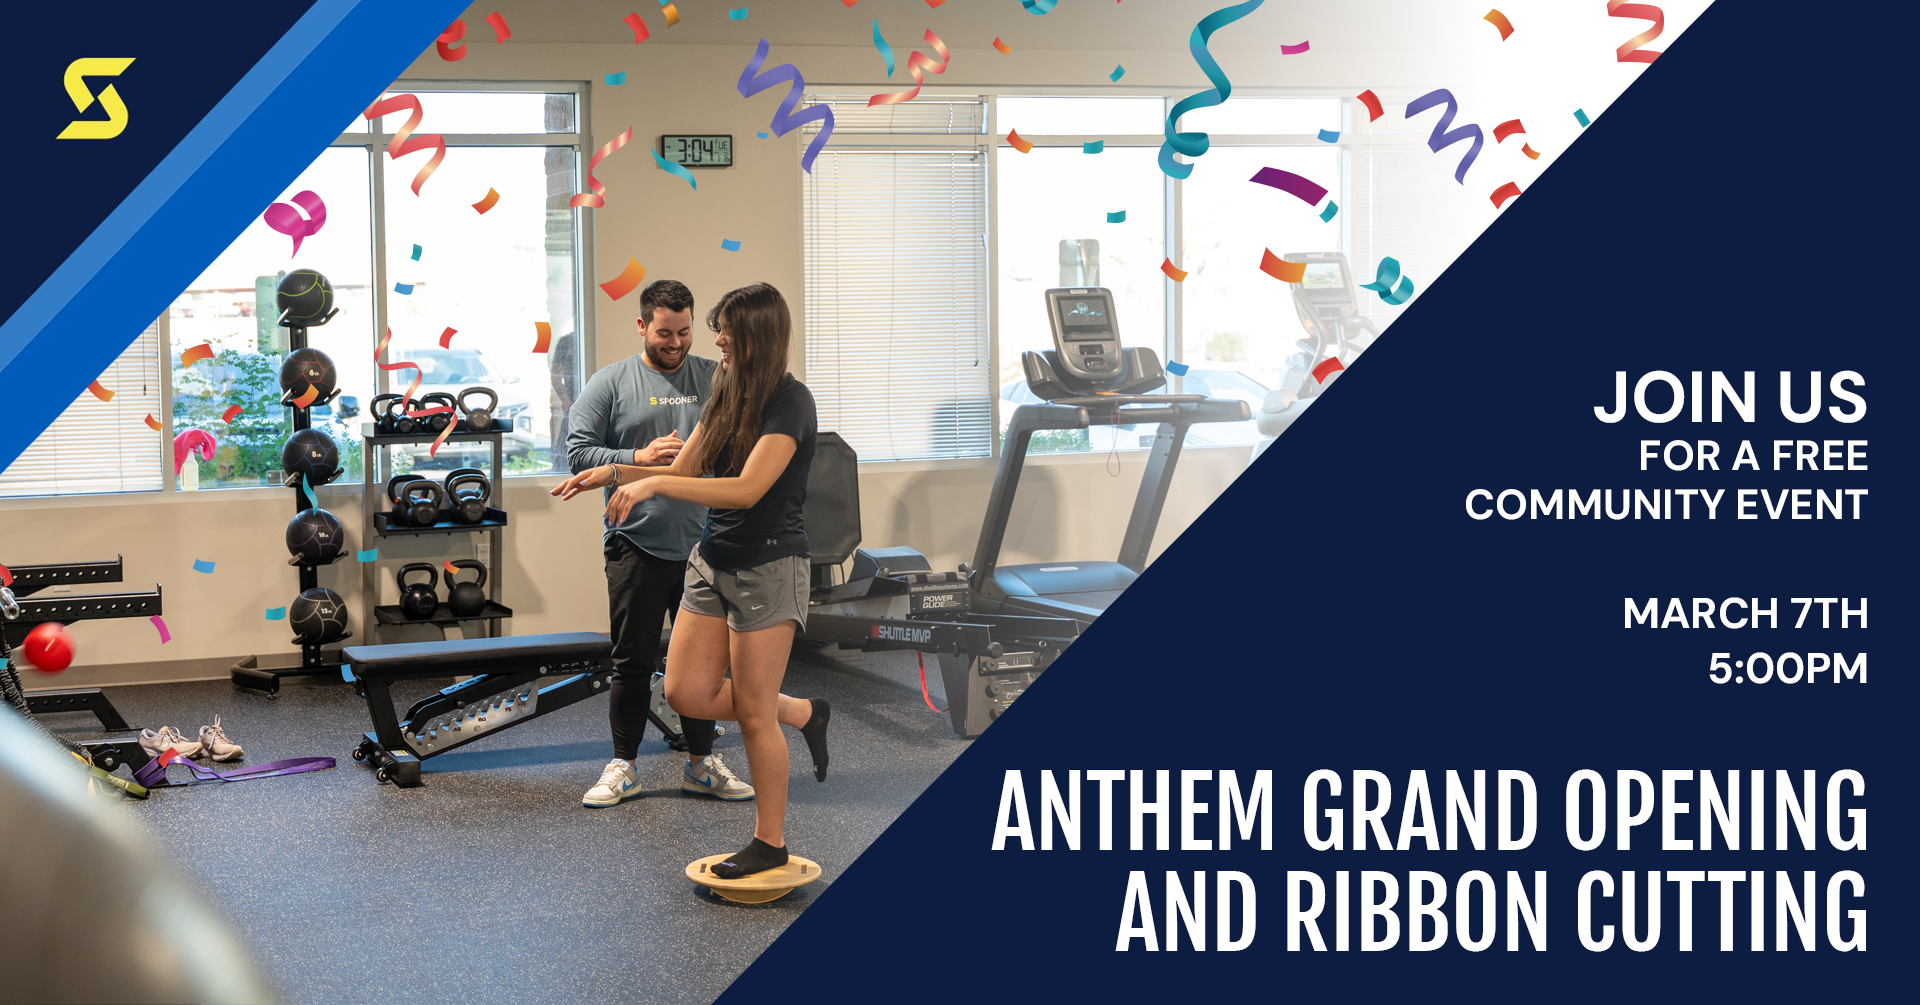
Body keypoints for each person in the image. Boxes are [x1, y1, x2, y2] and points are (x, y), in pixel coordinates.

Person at [554, 282, 828, 879]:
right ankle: (802, 712)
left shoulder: (790, 403)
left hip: (769, 565)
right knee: (684, 692)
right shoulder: (727, 390)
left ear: (756, 333)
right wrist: (608, 473)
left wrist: (651, 484)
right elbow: (682, 468)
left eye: (724, 329)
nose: (716, 340)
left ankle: (770, 842)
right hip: (714, 558)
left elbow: (745, 489)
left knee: (753, 715)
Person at [564, 279, 753, 807]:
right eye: (664, 333)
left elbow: (744, 446)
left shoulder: (716, 377)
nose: (675, 343)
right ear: (643, 325)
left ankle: (701, 763)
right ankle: (623, 766)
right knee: (633, 660)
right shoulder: (611, 383)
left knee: (701, 667)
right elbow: (578, 455)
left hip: (707, 543)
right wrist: (637, 460)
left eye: (685, 332)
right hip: (637, 543)